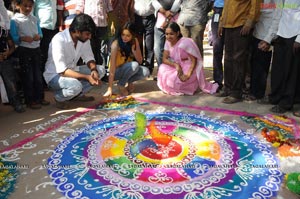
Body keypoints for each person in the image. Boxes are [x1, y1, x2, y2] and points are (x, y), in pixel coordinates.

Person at [43, 14, 106, 109]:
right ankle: (59, 97)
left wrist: (93, 70)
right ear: (77, 31)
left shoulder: (84, 39)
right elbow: (62, 71)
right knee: (76, 86)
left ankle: (78, 95)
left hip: (72, 70)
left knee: (100, 70)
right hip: (54, 76)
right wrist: (87, 77)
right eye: (87, 34)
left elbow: (89, 57)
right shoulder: (59, 39)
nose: (89, 37)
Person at [217, 0, 261, 104]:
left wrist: (250, 22)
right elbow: (226, 6)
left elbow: (256, 5)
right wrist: (221, 23)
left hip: (241, 24)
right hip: (228, 25)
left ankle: (236, 93)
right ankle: (227, 88)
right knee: (227, 58)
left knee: (239, 59)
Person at [157, 22, 218, 95]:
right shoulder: (167, 42)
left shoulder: (185, 42)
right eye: (166, 34)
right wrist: (176, 65)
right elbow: (164, 59)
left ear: (178, 33)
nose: (168, 36)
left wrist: (188, 75)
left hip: (189, 67)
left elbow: (194, 60)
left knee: (176, 81)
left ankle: (189, 85)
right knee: (162, 68)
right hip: (177, 66)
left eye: (171, 34)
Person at [10, 0, 50, 109]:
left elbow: (40, 33)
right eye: (25, 6)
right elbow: (14, 37)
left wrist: (39, 36)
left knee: (38, 75)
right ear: (18, 6)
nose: (28, 8)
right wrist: (21, 38)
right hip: (24, 50)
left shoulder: (34, 19)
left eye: (30, 6)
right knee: (28, 76)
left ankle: (40, 98)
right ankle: (30, 100)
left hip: (36, 49)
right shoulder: (15, 20)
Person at [244, 0, 281, 103]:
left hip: (266, 35)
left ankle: (258, 94)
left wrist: (268, 39)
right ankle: (252, 91)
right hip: (256, 33)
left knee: (261, 66)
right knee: (254, 64)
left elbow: (277, 17)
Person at [267, 0, 300, 115]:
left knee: (290, 72)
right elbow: (277, 14)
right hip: (280, 34)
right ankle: (275, 97)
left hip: (294, 35)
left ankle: (286, 102)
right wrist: (270, 37)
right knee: (277, 70)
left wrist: (299, 38)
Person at [103, 22, 150, 97]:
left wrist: (134, 51)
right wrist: (110, 88)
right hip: (116, 72)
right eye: (123, 35)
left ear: (133, 35)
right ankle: (121, 84)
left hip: (128, 69)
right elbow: (112, 69)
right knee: (135, 65)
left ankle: (128, 81)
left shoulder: (135, 41)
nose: (124, 38)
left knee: (146, 71)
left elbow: (140, 60)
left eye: (128, 35)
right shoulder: (115, 44)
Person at [0, 1, 25, 113]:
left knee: (11, 83)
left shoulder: (4, 32)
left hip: (5, 60)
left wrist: (6, 54)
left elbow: (12, 47)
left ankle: (16, 103)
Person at [75, 0, 113, 66]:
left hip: (102, 25)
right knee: (89, 47)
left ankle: (101, 70)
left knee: (101, 49)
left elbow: (109, 8)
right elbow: (79, 8)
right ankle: (89, 69)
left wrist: (111, 23)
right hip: (88, 26)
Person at [33, 0, 59, 77]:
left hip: (52, 28)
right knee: (41, 55)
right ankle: (40, 80)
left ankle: (47, 78)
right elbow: (31, 9)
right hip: (41, 27)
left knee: (50, 54)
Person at [152, 0, 181, 67]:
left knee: (174, 48)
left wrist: (169, 15)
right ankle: (162, 69)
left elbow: (178, 1)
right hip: (160, 22)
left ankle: (173, 71)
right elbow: (153, 1)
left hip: (175, 21)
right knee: (157, 49)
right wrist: (165, 12)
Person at [134, 0, 156, 75]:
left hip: (150, 19)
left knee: (149, 45)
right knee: (138, 44)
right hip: (137, 19)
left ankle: (149, 67)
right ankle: (138, 66)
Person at [211, 0, 224, 91]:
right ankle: (218, 81)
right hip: (218, 11)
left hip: (235, 13)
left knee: (232, 52)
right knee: (217, 49)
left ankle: (231, 84)